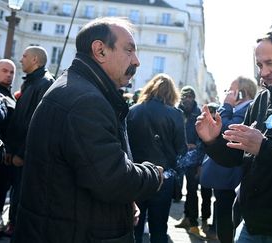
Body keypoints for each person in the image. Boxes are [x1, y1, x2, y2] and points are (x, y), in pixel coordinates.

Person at [13, 17, 164, 243]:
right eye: (129, 50)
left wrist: (125, 200)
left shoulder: (80, 88)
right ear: (100, 51)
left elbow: (92, 168)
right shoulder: (85, 101)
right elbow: (112, 180)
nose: (137, 61)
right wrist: (154, 174)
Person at [196, 27, 272, 242]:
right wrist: (212, 140)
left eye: (270, 63)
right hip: (250, 223)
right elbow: (237, 155)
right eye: (260, 65)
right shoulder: (261, 99)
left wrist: (264, 147)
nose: (263, 72)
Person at [127, 73, 188, 243]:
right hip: (164, 176)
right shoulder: (175, 114)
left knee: (134, 227)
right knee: (159, 228)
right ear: (171, 93)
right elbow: (181, 149)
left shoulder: (133, 111)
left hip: (135, 175)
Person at [200, 76, 258, 243]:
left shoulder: (247, 109)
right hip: (224, 176)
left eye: (231, 91)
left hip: (230, 177)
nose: (227, 94)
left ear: (242, 93)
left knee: (227, 223)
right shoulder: (240, 108)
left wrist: (226, 106)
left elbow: (226, 132)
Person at [5, 46, 55, 237]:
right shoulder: (32, 82)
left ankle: (16, 227)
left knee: (22, 194)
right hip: (16, 152)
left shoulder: (44, 83)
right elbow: (20, 119)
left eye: (24, 56)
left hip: (26, 156)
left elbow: (37, 123)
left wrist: (22, 153)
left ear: (35, 60)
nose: (21, 59)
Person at [175, 85, 213, 239]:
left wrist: (197, 151)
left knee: (204, 191)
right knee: (189, 190)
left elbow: (205, 138)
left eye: (190, 96)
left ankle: (203, 221)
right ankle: (189, 218)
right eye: (184, 96)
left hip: (200, 159)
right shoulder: (178, 112)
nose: (187, 99)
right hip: (183, 158)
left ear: (194, 98)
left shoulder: (200, 113)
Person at [0, 59, 14, 233]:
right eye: (5, 71)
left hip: (5, 156)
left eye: (11, 72)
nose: (9, 75)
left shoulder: (9, 95)